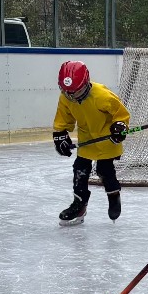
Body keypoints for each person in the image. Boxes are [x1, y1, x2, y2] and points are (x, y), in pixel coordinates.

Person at [53, 61, 130, 226]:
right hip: (87, 140)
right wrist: (60, 134)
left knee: (104, 170)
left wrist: (120, 126)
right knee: (79, 169)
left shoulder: (102, 96)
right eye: (68, 92)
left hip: (107, 138)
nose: (72, 96)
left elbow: (121, 114)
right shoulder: (66, 96)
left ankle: (114, 195)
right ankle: (79, 205)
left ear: (86, 83)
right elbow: (63, 117)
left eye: (76, 91)